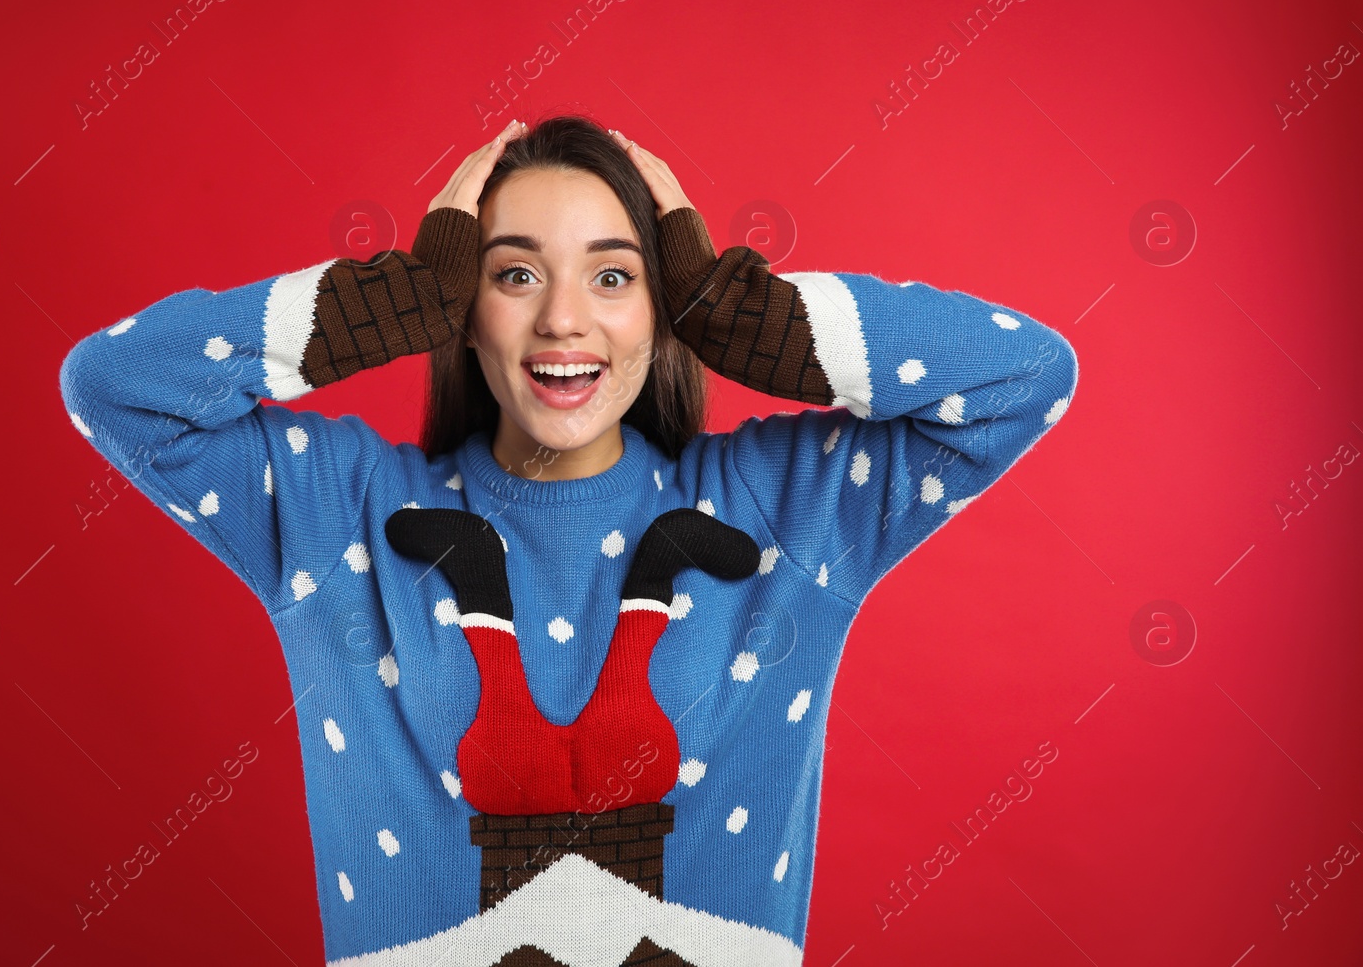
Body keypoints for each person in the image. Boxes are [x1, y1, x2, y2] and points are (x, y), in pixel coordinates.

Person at [59, 114, 1077, 966]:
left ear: (666, 307)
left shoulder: (782, 507)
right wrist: (385, 301)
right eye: (510, 276)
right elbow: (115, 387)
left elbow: (1025, 374)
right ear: (463, 311)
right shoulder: (342, 510)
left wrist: (749, 313)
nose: (560, 320)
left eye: (612, 276)